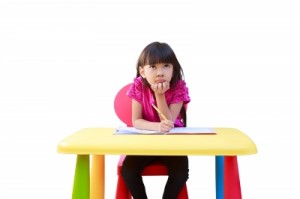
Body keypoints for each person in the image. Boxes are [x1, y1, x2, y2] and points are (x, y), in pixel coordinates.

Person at [121, 41, 191, 199]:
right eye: (153, 66)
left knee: (180, 173)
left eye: (166, 65)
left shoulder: (179, 87)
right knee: (128, 171)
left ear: (174, 69)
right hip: (145, 143)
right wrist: (157, 126)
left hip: (172, 144)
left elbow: (169, 121)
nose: (160, 72)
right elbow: (136, 121)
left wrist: (160, 95)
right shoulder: (138, 85)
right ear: (142, 71)